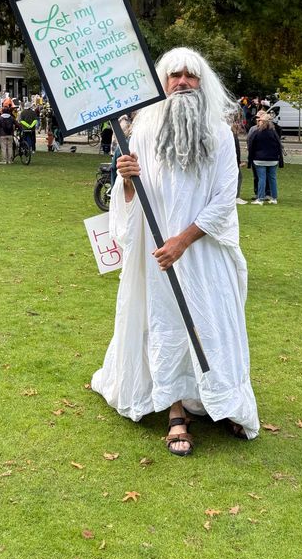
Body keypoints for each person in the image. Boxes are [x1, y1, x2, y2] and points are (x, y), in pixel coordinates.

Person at [91, 47, 260, 456]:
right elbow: (132, 201)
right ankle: (175, 413)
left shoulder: (219, 133)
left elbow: (224, 198)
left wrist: (182, 241)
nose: (182, 82)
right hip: (157, 256)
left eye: (190, 76)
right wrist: (127, 180)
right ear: (162, 85)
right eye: (173, 76)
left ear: (202, 83)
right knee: (166, 326)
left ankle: (228, 401)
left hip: (203, 251)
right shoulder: (143, 132)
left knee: (216, 324)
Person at [246, 110, 282, 204]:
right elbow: (279, 145)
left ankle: (260, 198)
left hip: (259, 159)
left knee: (261, 178)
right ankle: (274, 198)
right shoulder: (273, 133)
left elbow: (251, 145)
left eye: (260, 120)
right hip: (273, 159)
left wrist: (251, 158)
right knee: (272, 178)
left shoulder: (257, 132)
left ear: (262, 122)